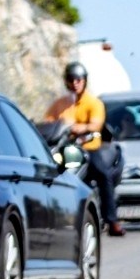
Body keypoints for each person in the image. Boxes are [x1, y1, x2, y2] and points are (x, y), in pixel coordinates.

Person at [44, 62, 126, 237]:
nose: (75, 83)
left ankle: (112, 220)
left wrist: (77, 128)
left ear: (85, 81)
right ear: (66, 81)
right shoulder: (60, 104)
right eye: (71, 79)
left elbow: (96, 124)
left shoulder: (94, 103)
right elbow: (48, 123)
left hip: (88, 148)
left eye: (79, 79)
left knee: (103, 174)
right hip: (64, 149)